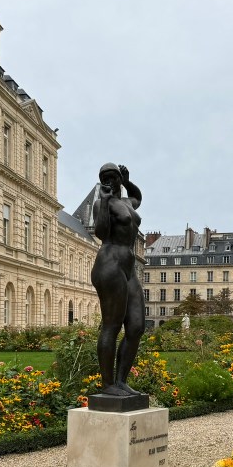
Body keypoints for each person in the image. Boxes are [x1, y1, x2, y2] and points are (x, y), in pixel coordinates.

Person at [91, 163, 144, 396]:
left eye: (114, 177)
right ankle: (108, 384)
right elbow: (102, 232)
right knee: (112, 325)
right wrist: (103, 201)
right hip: (110, 262)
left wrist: (128, 180)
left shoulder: (127, 204)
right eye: (106, 178)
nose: (110, 181)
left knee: (136, 327)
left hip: (129, 266)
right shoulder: (103, 203)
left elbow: (137, 197)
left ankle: (121, 381)